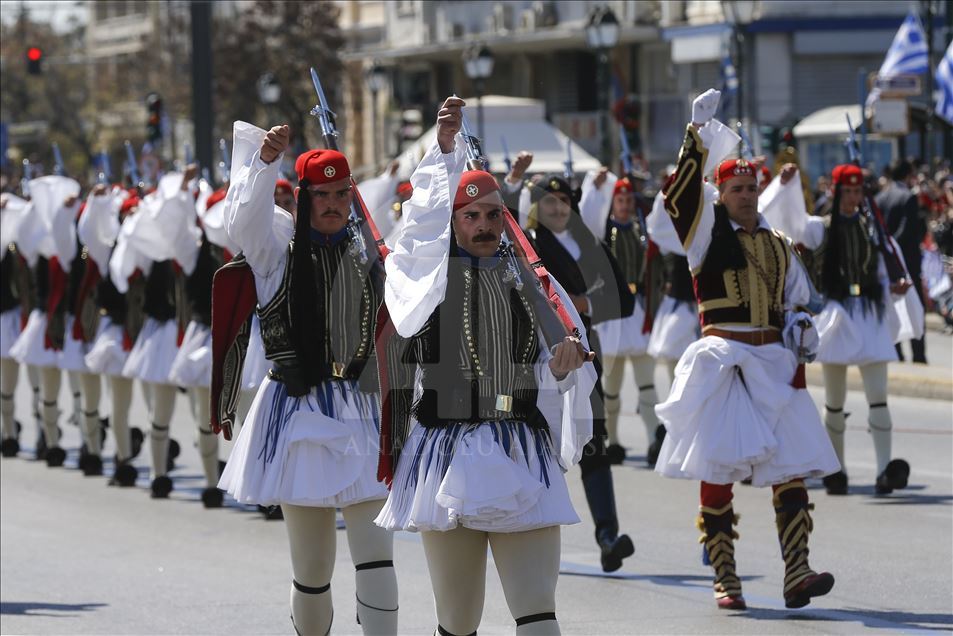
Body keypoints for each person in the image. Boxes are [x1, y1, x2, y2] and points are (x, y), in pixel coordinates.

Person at [375, 96, 596, 635]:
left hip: (521, 447)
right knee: (458, 621)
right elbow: (420, 229)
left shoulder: (533, 280)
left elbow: (565, 363)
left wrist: (565, 363)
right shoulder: (427, 282)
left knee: (539, 616)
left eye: (493, 214)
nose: (482, 225)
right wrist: (444, 150)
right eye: (470, 215)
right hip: (445, 451)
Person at [655, 89, 840, 610]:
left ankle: (797, 572)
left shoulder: (779, 242)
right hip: (725, 362)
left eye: (750, 187)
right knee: (718, 472)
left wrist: (802, 323)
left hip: (774, 363)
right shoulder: (705, 234)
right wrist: (695, 138)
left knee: (792, 468)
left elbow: (799, 298)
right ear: (721, 192)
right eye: (735, 188)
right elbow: (679, 199)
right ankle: (725, 575)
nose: (746, 196)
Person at [215, 121, 397, 635]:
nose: (335, 204)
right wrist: (264, 159)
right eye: (323, 195)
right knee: (313, 570)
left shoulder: (369, 251)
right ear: (304, 198)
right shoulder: (276, 250)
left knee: (376, 557)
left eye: (343, 194)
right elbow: (242, 218)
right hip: (300, 414)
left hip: (362, 410)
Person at [766, 163, 914, 496]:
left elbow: (880, 269)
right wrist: (785, 185)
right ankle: (837, 470)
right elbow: (791, 225)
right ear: (835, 192)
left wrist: (894, 286)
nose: (852, 198)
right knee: (835, 401)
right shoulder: (822, 229)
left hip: (869, 314)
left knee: (879, 398)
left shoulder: (870, 227)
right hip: (837, 316)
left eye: (857, 191)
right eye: (847, 192)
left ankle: (884, 471)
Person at [524, 173, 637, 572]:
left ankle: (608, 536)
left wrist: (583, 305)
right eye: (549, 202)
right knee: (536, 442)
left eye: (563, 202)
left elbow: (623, 299)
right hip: (534, 357)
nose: (557, 209)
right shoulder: (526, 244)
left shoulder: (589, 243)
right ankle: (521, 529)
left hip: (583, 354)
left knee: (594, 442)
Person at [579, 171, 663, 466]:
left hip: (636, 312)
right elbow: (586, 221)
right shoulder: (602, 234)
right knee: (611, 388)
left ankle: (655, 439)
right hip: (613, 316)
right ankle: (613, 441)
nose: (625, 205)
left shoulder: (642, 232)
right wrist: (595, 188)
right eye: (620, 200)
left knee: (647, 384)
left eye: (628, 200)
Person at [876, 159, 928, 363]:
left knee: (892, 307)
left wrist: (886, 252)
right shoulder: (908, 197)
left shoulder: (879, 198)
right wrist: (894, 250)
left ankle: (896, 352)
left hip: (886, 264)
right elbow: (907, 229)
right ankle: (918, 354)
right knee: (916, 307)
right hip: (906, 262)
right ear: (908, 175)